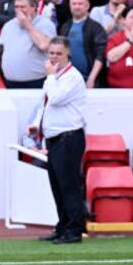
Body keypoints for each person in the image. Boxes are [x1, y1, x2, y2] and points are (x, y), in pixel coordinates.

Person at [29, 37, 88, 245]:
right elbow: (45, 104)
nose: (53, 57)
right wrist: (37, 124)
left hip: (69, 138)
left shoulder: (71, 77)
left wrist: (50, 77)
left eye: (58, 53)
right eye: (51, 53)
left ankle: (74, 230)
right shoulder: (54, 78)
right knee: (57, 185)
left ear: (67, 55)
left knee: (69, 185)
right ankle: (63, 226)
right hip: (55, 139)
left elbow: (55, 98)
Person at [58, 0, 108, 88]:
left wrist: (92, 78)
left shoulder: (96, 28)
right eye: (74, 4)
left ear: (87, 6)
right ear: (70, 5)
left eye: (80, 4)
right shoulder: (65, 27)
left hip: (88, 80)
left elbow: (100, 55)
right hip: (68, 80)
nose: (77, 6)